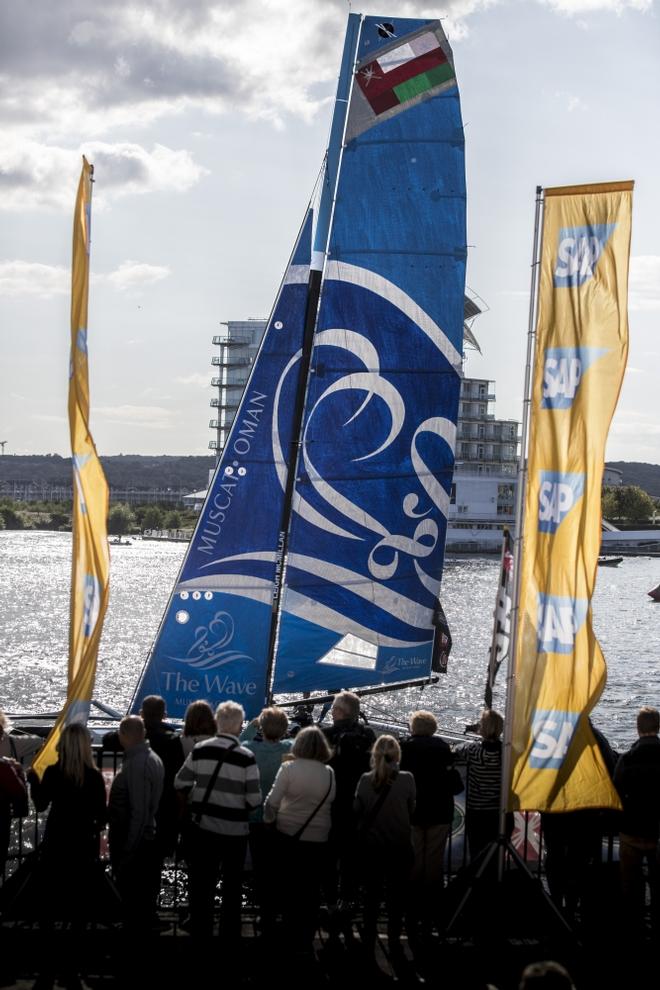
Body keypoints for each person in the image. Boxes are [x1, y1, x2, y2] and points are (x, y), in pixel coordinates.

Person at [175, 700, 260, 943]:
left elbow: (180, 782)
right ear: (239, 725)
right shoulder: (247, 757)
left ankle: (201, 932)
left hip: (205, 828)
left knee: (204, 883)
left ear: (218, 722)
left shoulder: (200, 750)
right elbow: (254, 800)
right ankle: (228, 935)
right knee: (232, 888)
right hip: (235, 832)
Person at [264, 725, 335, 954]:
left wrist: (269, 820)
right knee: (311, 888)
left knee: (287, 885)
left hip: (288, 834)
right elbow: (330, 800)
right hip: (318, 838)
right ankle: (306, 935)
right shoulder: (329, 772)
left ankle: (285, 930)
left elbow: (272, 801)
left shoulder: (289, 768)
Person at [354, 734, 415, 952]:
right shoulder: (407, 779)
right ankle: (394, 937)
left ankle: (369, 936)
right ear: (397, 754)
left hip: (373, 847)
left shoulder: (365, 780)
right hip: (399, 846)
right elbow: (411, 809)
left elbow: (357, 811)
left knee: (371, 895)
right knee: (396, 897)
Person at [400, 710, 457, 931]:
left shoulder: (405, 747)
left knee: (413, 858)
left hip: (413, 809)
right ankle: (431, 909)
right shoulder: (443, 748)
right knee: (433, 861)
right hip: (439, 809)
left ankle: (411, 910)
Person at [240, 706, 293, 937]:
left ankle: (265, 912)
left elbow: (238, 743)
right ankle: (280, 912)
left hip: (254, 817)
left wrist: (252, 726)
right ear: (284, 729)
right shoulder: (289, 749)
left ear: (261, 728)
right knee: (280, 867)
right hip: (281, 818)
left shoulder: (249, 749)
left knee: (260, 869)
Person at [108, 715, 164, 931]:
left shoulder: (137, 764)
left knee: (132, 894)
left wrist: (128, 848)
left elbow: (139, 811)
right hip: (145, 837)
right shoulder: (152, 758)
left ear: (124, 736)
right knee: (144, 893)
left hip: (135, 841)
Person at [323, 691, 375, 905]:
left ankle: (330, 902)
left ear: (339, 711)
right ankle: (348, 901)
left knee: (329, 857)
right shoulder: (368, 735)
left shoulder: (327, 734)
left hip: (333, 802)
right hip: (358, 804)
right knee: (351, 857)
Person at [613, 705, 660, 938]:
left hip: (631, 830)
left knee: (631, 888)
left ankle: (634, 932)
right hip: (658, 832)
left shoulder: (627, 759)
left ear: (638, 728)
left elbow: (616, 792)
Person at [453, 709, 511, 863]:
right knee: (497, 857)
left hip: (477, 813)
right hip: (500, 812)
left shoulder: (473, 750)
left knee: (477, 855)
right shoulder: (506, 753)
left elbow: (456, 749)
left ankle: (479, 884)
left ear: (482, 728)